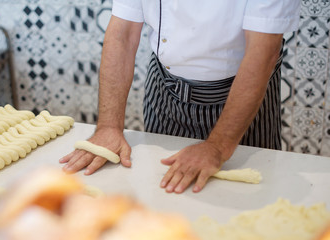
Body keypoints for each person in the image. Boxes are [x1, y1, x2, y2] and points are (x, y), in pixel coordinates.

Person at [60, 1, 300, 193]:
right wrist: (109, 127)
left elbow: (263, 52)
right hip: (164, 89)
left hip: (237, 95)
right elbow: (122, 34)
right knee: (161, 193)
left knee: (242, 200)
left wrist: (218, 147)